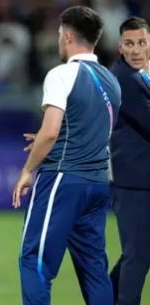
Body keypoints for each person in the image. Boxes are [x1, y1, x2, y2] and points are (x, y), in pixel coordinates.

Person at [12, 6, 121, 305]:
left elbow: (50, 132)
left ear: (69, 36)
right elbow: (92, 128)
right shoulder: (112, 82)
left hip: (62, 179)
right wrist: (53, 137)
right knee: (94, 268)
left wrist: (27, 170)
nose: (59, 40)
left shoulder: (61, 74)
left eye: (60, 35)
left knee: (34, 260)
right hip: (97, 183)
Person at [109, 17, 150, 305]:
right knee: (138, 256)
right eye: (129, 44)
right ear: (120, 46)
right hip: (135, 183)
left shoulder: (142, 76)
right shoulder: (125, 79)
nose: (136, 50)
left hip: (140, 181)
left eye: (142, 43)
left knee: (135, 255)